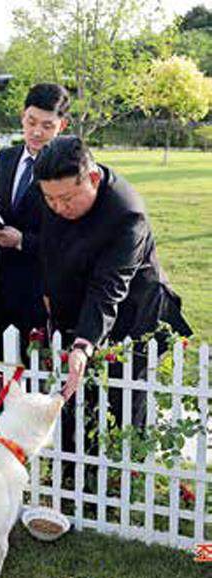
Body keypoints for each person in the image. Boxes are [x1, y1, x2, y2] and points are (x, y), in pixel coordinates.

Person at [33, 135, 192, 454]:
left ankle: (127, 476)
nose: (58, 208)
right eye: (50, 199)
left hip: (133, 317)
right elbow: (49, 248)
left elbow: (109, 287)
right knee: (74, 404)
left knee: (126, 410)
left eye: (66, 199)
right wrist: (49, 295)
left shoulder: (127, 215)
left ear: (92, 179)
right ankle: (73, 473)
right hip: (79, 309)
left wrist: (83, 344)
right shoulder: (55, 191)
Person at [0, 83, 69, 363]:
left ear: (62, 126)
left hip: (40, 290)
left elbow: (70, 238)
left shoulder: (68, 169)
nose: (36, 132)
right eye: (31, 122)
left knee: (36, 374)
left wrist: (22, 241)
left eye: (47, 126)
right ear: (22, 117)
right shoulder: (5, 158)